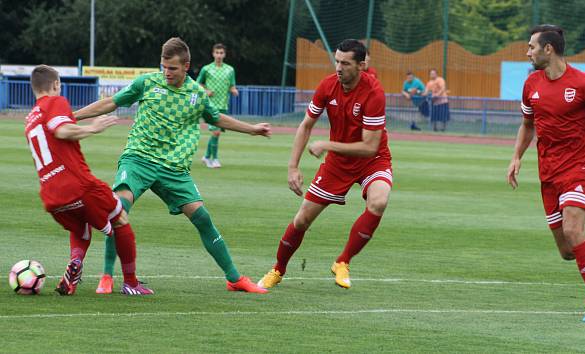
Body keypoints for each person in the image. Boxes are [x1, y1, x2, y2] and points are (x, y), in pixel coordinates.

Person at [73, 37, 270, 294]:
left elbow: (217, 117)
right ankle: (107, 276)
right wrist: (71, 115)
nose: (167, 72)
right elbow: (111, 103)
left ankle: (234, 278)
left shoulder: (197, 94)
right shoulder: (147, 83)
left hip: (173, 169)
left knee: (203, 218)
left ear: (186, 66)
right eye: (164, 67)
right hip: (138, 159)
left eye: (173, 68)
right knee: (118, 209)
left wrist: (252, 129)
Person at [507, 25, 585, 323]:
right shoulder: (531, 84)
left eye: (532, 47)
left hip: (579, 168)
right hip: (548, 172)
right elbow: (527, 124)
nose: (528, 52)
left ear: (548, 49)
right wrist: (516, 157)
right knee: (567, 250)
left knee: (575, 231)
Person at [258, 39, 392, 290]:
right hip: (338, 165)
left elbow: (369, 147)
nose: (338, 67)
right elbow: (306, 125)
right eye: (337, 61)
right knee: (301, 221)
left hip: (372, 160)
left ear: (362, 65)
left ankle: (343, 261)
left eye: (345, 63)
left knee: (379, 200)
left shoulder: (374, 93)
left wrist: (327, 145)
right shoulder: (328, 85)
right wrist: (293, 167)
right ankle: (278, 269)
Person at [24, 65, 153, 296]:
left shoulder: (31, 118)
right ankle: (131, 283)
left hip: (51, 196)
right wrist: (92, 128)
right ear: (55, 85)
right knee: (120, 219)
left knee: (82, 227)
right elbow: (61, 130)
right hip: (79, 185)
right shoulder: (56, 102)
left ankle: (75, 264)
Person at [197, 43, 239, 168]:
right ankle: (214, 159)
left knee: (216, 133)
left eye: (221, 53)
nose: (219, 55)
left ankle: (206, 156)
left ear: (224, 54)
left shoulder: (230, 70)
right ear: (213, 54)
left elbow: (232, 85)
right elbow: (198, 84)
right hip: (210, 105)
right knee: (216, 133)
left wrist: (233, 90)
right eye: (217, 52)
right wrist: (206, 91)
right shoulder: (207, 69)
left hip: (223, 105)